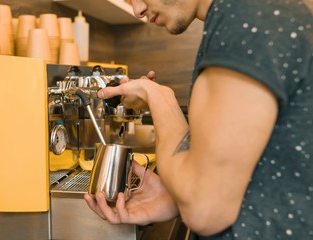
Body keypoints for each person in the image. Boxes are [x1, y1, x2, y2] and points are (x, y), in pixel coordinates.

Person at [84, 0, 313, 238]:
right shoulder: (239, 17)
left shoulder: (249, 18)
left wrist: (158, 97)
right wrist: (175, 196)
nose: (138, 9)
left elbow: (205, 210)